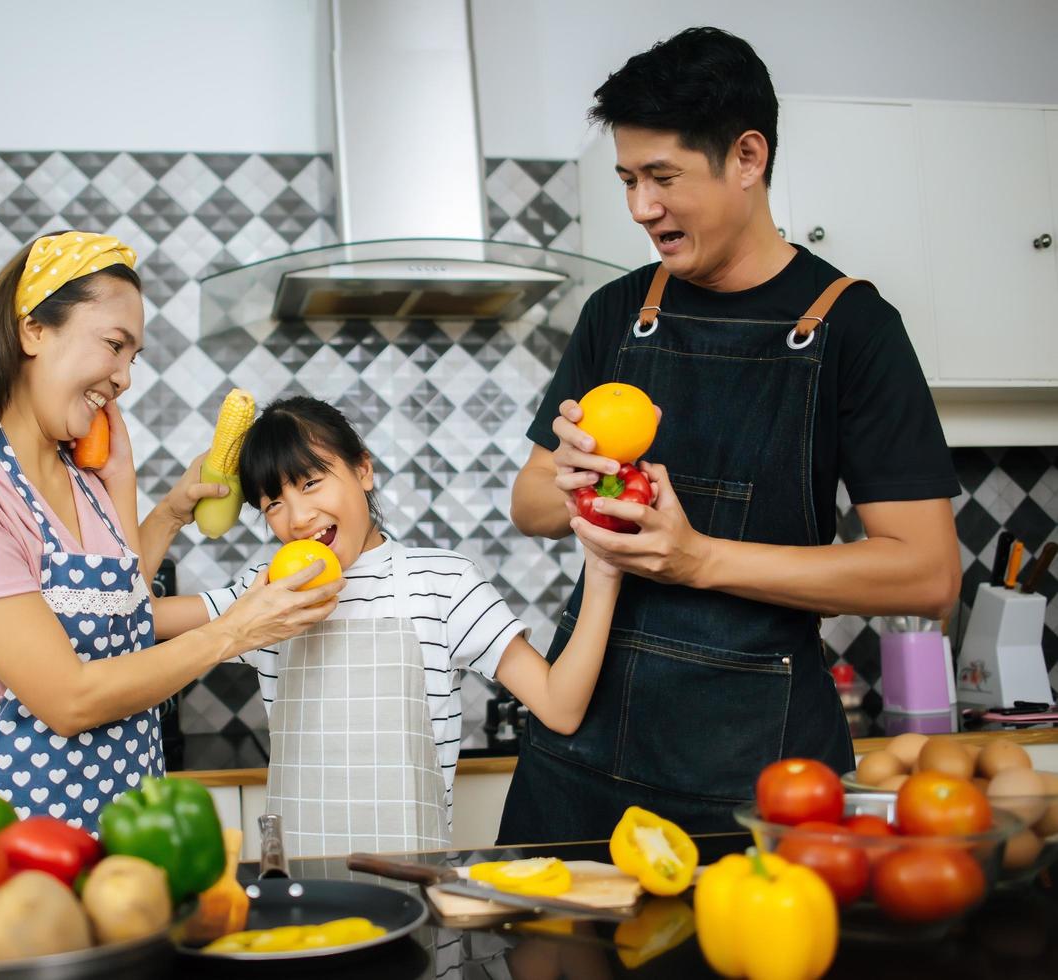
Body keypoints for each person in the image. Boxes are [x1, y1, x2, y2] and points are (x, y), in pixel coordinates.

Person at [498, 27, 962, 844]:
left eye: (661, 177)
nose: (641, 207)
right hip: (576, 752)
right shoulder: (617, 312)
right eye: (628, 180)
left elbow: (925, 572)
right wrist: (568, 478)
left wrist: (698, 558)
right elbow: (530, 505)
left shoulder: (853, 327)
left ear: (746, 158)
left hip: (754, 772)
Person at [0, 230, 342, 828]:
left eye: (132, 358)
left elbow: (124, 612)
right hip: (16, 843)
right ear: (32, 329)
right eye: (114, 345)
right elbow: (69, 698)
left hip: (128, 830)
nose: (124, 378)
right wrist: (237, 629)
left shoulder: (80, 478)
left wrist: (153, 502)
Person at [159, 397, 624, 856]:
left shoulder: (443, 582)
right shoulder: (265, 593)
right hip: (301, 889)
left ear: (363, 470)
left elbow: (560, 708)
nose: (298, 518)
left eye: (311, 482)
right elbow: (131, 615)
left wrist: (604, 573)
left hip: (414, 883)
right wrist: (171, 514)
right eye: (273, 504)